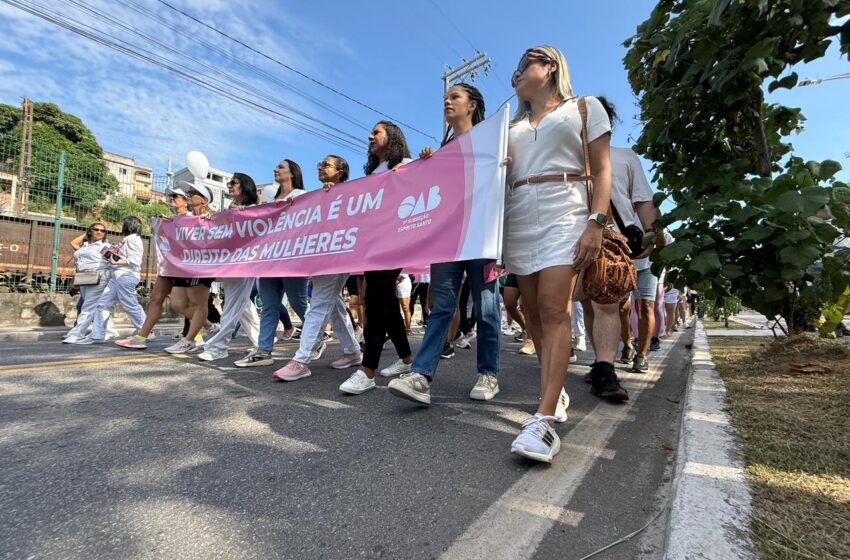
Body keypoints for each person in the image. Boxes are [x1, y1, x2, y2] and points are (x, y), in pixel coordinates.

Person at [501, 46, 612, 463]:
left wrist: (596, 222)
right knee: (533, 317)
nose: (516, 72)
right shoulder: (509, 127)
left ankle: (544, 420)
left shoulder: (584, 108)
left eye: (524, 63)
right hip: (517, 215)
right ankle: (554, 389)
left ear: (549, 67)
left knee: (555, 311)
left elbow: (602, 170)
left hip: (565, 209)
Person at [388, 83, 502, 404]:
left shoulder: (492, 141)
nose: (447, 103)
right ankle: (422, 376)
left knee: (487, 307)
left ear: (473, 105)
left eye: (455, 97)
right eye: (445, 99)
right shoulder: (442, 150)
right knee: (439, 308)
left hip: (482, 238)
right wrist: (421, 165)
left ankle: (488, 374)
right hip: (448, 241)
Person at [336, 121, 414, 393]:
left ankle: (367, 370)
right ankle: (407, 359)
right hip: (372, 242)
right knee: (387, 304)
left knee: (376, 301)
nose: (370, 136)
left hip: (394, 241)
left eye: (376, 132)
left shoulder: (406, 162)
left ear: (391, 136)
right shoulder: (373, 172)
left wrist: (422, 164)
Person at [271, 155, 362, 381]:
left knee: (319, 303)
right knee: (334, 305)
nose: (321, 167)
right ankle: (353, 352)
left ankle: (302, 360)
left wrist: (338, 195)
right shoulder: (320, 196)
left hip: (339, 255)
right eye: (319, 164)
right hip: (322, 255)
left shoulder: (351, 193)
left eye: (327, 165)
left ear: (340, 172)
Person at [115, 185, 213, 350]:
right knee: (157, 298)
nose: (171, 199)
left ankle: (201, 332)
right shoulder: (170, 220)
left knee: (182, 304)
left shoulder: (194, 218)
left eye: (176, 197)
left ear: (185, 202)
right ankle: (142, 337)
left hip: (183, 266)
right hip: (167, 265)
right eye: (171, 197)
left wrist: (206, 217)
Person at [234, 159, 309, 368]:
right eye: (276, 166)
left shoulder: (303, 196)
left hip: (292, 258)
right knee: (269, 306)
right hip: (269, 259)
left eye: (281, 167)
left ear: (292, 173)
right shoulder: (271, 201)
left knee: (298, 303)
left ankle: (318, 334)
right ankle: (264, 350)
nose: (275, 169)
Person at [196, 173, 262, 361]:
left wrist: (243, 215)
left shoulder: (254, 210)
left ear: (245, 186)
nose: (229, 185)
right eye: (229, 182)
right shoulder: (230, 209)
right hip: (230, 263)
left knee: (233, 304)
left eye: (234, 182)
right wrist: (213, 218)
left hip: (244, 263)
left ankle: (219, 346)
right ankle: (262, 343)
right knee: (244, 307)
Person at [75, 216, 146, 344]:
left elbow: (135, 260)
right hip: (117, 275)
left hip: (125, 275)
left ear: (129, 225)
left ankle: (146, 331)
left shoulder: (133, 239)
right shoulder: (127, 239)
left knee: (129, 304)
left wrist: (115, 260)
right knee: (102, 304)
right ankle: (97, 335)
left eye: (124, 223)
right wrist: (113, 254)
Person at [63, 223, 118, 343]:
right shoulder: (85, 246)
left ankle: (77, 333)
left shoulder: (105, 246)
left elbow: (115, 262)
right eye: (96, 229)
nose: (99, 232)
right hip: (84, 277)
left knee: (88, 306)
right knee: (93, 305)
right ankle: (110, 330)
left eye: (102, 231)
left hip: (100, 277)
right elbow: (74, 244)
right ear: (89, 231)